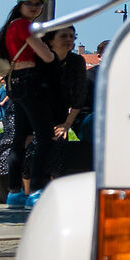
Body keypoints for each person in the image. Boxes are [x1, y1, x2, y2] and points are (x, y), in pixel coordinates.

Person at [2, 0, 57, 205]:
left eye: (38, 4)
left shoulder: (10, 26)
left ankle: (14, 192)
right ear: (20, 5)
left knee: (20, 138)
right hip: (28, 81)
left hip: (14, 82)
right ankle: (35, 191)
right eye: (30, 3)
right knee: (44, 136)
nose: (35, 7)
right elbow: (47, 56)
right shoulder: (24, 26)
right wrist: (48, 50)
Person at [41, 27, 92, 179]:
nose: (69, 39)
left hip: (60, 112)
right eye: (64, 36)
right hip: (34, 109)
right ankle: (26, 190)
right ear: (51, 41)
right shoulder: (41, 60)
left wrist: (67, 123)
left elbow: (79, 95)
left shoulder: (76, 61)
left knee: (58, 152)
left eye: (72, 36)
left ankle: (52, 186)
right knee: (35, 149)